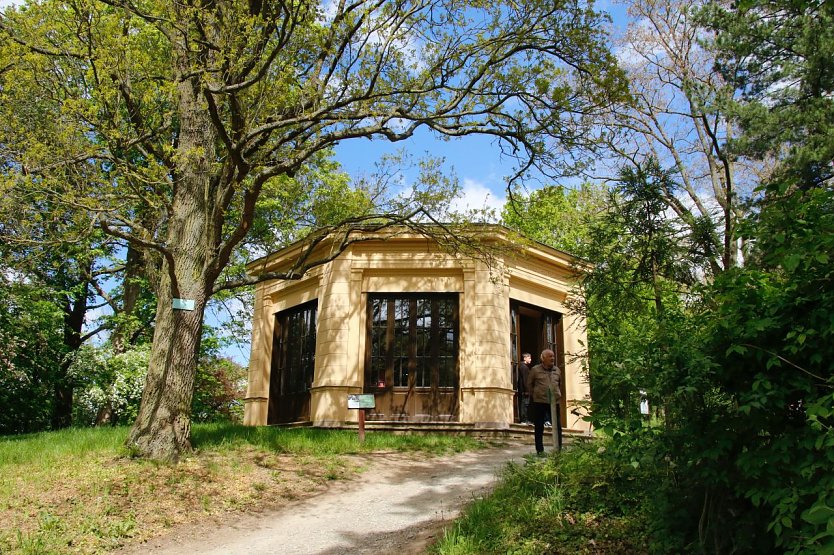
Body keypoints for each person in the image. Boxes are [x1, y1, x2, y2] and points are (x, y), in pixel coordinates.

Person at [526, 349, 562, 455]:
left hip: (554, 402)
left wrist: (558, 395)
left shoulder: (557, 370)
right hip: (540, 402)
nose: (552, 358)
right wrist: (535, 395)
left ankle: (558, 449)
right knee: (539, 426)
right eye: (550, 356)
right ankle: (540, 450)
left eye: (553, 356)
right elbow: (529, 384)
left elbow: (560, 384)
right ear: (543, 358)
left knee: (557, 426)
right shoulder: (535, 370)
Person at [517, 353, 532, 424]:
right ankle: (523, 419)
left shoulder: (523, 367)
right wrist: (526, 390)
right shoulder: (524, 367)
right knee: (524, 404)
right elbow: (525, 380)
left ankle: (524, 419)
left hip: (523, 390)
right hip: (524, 390)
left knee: (525, 404)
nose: (530, 359)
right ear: (525, 358)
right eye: (529, 358)